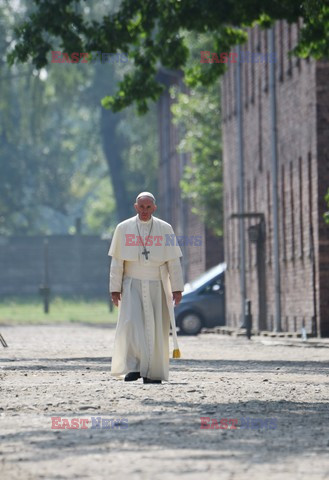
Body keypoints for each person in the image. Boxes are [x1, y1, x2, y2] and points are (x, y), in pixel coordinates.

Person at [108, 192, 184, 384]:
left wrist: (177, 288)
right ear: (136, 207)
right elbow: (117, 262)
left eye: (148, 207)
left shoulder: (165, 229)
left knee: (156, 328)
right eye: (141, 207)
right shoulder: (123, 228)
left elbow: (173, 262)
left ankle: (153, 372)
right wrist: (114, 289)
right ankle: (134, 367)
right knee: (132, 325)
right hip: (131, 283)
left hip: (157, 284)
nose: (144, 211)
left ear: (154, 208)